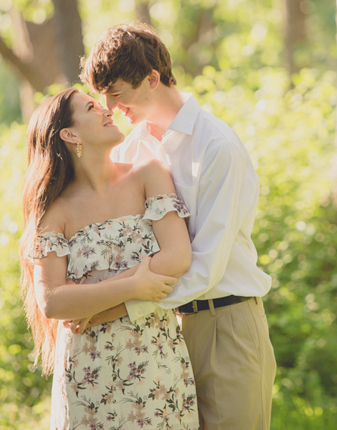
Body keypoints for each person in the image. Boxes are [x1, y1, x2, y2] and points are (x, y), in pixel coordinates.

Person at [73, 23, 276, 430]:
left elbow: (206, 267)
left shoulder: (216, 146)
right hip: (158, 335)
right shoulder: (131, 148)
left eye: (117, 93)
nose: (110, 107)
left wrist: (116, 305)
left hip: (225, 326)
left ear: (152, 79)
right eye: (103, 96)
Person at [17, 88, 198, 429]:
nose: (107, 110)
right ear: (70, 134)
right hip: (89, 372)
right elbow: (53, 301)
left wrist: (98, 302)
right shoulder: (54, 212)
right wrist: (134, 284)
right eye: (91, 107)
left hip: (155, 358)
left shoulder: (148, 173)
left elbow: (177, 256)